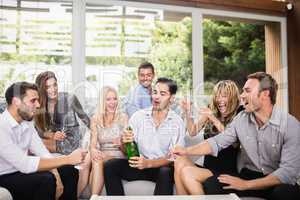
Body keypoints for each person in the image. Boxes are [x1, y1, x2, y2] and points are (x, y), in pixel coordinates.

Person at [172, 72, 300, 200]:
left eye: (247, 91)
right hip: (247, 175)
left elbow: (287, 173)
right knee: (211, 183)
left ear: (265, 94)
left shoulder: (290, 125)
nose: (242, 95)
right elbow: (217, 142)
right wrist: (186, 150)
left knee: (287, 192)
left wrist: (246, 185)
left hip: (274, 180)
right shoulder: (242, 118)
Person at [0, 82, 86, 200]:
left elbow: (42, 152)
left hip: (22, 172)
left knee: (68, 170)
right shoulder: (2, 126)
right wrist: (68, 158)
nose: (38, 104)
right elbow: (24, 164)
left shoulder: (27, 123)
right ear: (16, 102)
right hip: (5, 176)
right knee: (46, 179)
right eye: (33, 100)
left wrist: (57, 174)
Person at [104, 78, 186, 195]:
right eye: (155, 92)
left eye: (162, 94)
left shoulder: (177, 122)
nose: (156, 97)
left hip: (160, 167)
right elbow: (127, 152)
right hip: (139, 165)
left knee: (166, 172)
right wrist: (123, 143)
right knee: (110, 165)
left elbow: (174, 157)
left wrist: (149, 163)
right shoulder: (138, 116)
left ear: (172, 98)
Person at [174, 80, 241, 195]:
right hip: (208, 168)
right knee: (178, 160)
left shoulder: (239, 114)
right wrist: (187, 112)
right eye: (217, 96)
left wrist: (213, 118)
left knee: (187, 172)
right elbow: (192, 132)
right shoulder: (212, 110)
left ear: (232, 97)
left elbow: (233, 140)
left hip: (225, 170)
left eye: (224, 96)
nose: (219, 100)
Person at [77, 86, 128, 196]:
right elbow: (93, 143)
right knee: (93, 158)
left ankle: (80, 196)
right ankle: (79, 196)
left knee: (92, 159)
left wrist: (121, 143)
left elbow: (127, 151)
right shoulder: (96, 119)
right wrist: (94, 150)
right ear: (102, 101)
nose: (112, 102)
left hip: (118, 156)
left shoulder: (123, 118)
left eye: (115, 99)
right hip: (102, 154)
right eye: (108, 99)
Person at [34, 71, 90, 155]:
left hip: (70, 142)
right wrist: (52, 135)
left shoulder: (70, 99)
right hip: (53, 140)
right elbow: (38, 131)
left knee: (32, 144)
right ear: (42, 89)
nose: (53, 89)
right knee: (31, 142)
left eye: (55, 85)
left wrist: (100, 132)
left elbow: (86, 119)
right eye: (48, 87)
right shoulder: (38, 105)